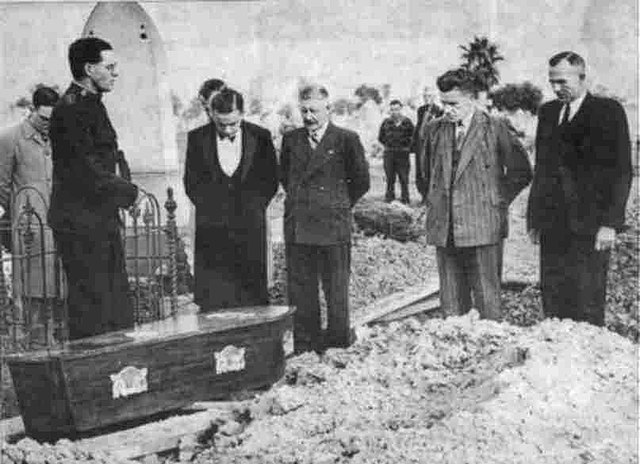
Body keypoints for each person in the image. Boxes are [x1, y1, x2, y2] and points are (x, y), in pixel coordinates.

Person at [527, 51, 632, 326]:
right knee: (553, 296)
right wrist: (535, 219)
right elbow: (542, 169)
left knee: (587, 299)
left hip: (590, 225)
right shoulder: (548, 113)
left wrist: (610, 223)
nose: (556, 88)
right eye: (552, 82)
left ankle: (584, 361)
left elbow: (621, 171)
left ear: (582, 77)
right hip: (552, 223)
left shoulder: (607, 112)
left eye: (562, 81)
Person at [420, 68, 532, 320]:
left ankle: (490, 345)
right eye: (443, 103)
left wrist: (496, 200)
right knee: (450, 301)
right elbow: (425, 175)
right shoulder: (433, 129)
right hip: (445, 227)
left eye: (453, 104)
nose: (447, 109)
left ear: (471, 98)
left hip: (483, 224)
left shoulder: (494, 127)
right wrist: (436, 203)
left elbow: (521, 171)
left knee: (486, 298)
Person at [48, 37, 139, 340]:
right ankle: (93, 378)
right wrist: (130, 193)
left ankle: (117, 374)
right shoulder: (71, 109)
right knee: (92, 305)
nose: (116, 73)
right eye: (109, 67)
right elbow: (87, 170)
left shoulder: (91, 105)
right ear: (89, 68)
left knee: (112, 302)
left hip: (98, 218)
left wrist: (125, 187)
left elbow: (111, 157)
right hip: (80, 223)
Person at [280, 84, 370, 353]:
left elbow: (361, 181)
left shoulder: (346, 139)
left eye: (314, 111)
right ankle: (306, 347)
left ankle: (337, 345)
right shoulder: (291, 139)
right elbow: (284, 176)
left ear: (328, 109)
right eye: (304, 110)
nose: (309, 116)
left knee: (336, 289)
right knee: (301, 289)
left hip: (333, 224)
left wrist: (337, 204)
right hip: (300, 225)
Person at [184, 88, 278, 311]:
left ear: (243, 114)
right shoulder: (196, 138)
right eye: (221, 124)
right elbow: (191, 182)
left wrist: (253, 208)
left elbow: (271, 179)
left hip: (250, 227)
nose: (227, 130)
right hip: (212, 228)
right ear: (212, 115)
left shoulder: (261, 136)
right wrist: (212, 210)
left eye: (233, 124)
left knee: (251, 294)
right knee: (215, 296)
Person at [0, 86, 61, 299]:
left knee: (60, 288)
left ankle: (57, 330)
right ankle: (33, 330)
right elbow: (3, 185)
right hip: (29, 224)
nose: (48, 124)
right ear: (32, 109)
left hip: (59, 220)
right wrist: (20, 209)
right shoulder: (10, 138)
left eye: (52, 119)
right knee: (31, 289)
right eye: (44, 118)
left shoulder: (60, 137)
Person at [377, 99, 414, 204]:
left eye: (397, 109)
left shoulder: (407, 122)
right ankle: (389, 197)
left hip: (403, 154)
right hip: (389, 153)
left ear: (401, 109)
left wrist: (407, 147)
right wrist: (389, 145)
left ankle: (405, 199)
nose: (394, 112)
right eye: (392, 110)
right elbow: (381, 137)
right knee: (390, 177)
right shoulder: (386, 122)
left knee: (403, 177)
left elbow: (413, 137)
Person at [412, 86, 444, 203]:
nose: (426, 98)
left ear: (434, 97)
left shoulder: (439, 110)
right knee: (419, 170)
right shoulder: (421, 110)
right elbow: (418, 126)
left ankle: (430, 196)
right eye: (424, 96)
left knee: (429, 169)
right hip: (420, 144)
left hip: (431, 145)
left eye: (429, 96)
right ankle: (423, 195)